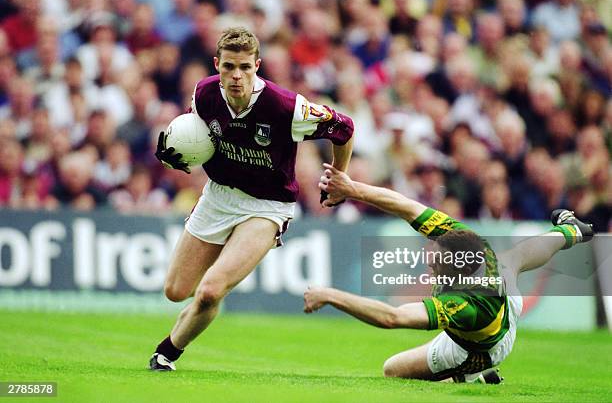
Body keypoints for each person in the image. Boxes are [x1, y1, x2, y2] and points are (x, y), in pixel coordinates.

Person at [149, 27, 354, 371]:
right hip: (218, 197)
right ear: (217, 65)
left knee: (211, 290)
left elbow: (343, 128)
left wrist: (338, 176)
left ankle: (167, 352)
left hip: (267, 206)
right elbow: (194, 138)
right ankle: (186, 324)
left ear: (257, 66)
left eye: (245, 67)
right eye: (229, 67)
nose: (236, 76)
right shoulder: (203, 95)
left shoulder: (286, 107)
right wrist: (179, 155)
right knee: (175, 290)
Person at [304, 163, 593, 383]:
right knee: (512, 260)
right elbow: (406, 206)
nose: (430, 262)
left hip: (479, 349)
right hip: (505, 300)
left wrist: (330, 295)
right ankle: (570, 230)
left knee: (392, 370)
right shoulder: (463, 238)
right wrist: (352, 189)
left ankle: (473, 373)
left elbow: (393, 317)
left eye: (438, 262)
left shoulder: (464, 305)